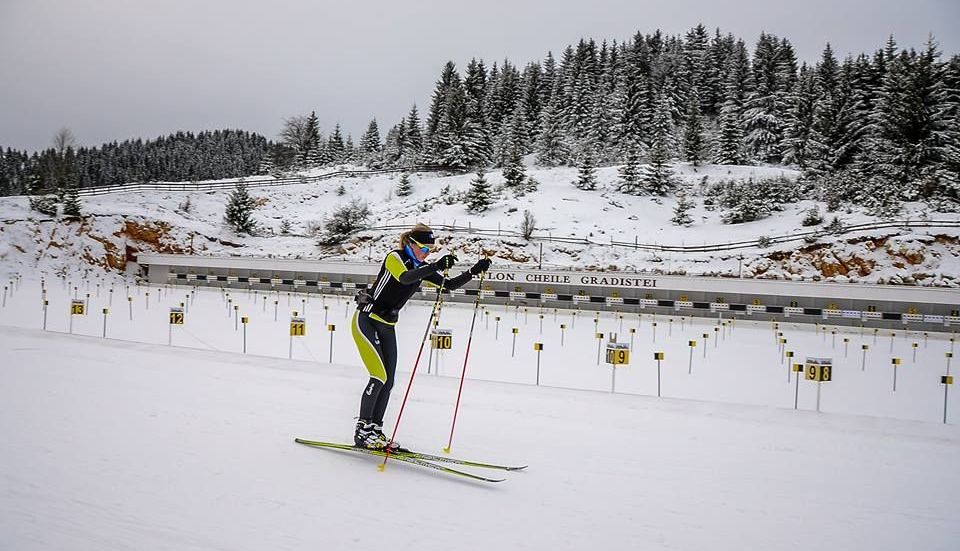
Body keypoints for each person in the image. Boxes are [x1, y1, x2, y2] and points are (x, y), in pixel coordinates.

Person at [351, 223, 491, 450]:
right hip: (367, 321)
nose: (427, 254)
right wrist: (434, 265)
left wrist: (474, 270)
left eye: (430, 251)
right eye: (424, 249)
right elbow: (405, 278)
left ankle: (375, 430)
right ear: (411, 244)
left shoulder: (422, 267)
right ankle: (362, 430)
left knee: (389, 382)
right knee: (378, 376)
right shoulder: (394, 258)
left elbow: (449, 285)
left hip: (387, 325)